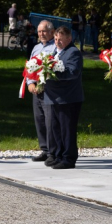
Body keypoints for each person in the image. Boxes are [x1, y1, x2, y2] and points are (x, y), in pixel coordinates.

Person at [42, 26, 84, 170]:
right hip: (54, 98)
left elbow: (72, 72)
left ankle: (69, 158)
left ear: (69, 39)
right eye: (55, 39)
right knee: (56, 129)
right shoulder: (55, 52)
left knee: (67, 130)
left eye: (60, 39)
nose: (57, 41)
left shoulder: (73, 52)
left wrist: (52, 74)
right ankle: (59, 155)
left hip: (68, 99)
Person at [27, 20, 57, 162]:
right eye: (39, 31)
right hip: (36, 90)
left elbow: (56, 68)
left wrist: (45, 83)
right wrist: (30, 83)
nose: (41, 34)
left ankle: (53, 152)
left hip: (49, 90)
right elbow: (29, 68)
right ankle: (44, 149)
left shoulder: (55, 47)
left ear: (51, 32)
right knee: (39, 120)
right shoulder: (36, 48)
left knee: (50, 121)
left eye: (44, 31)